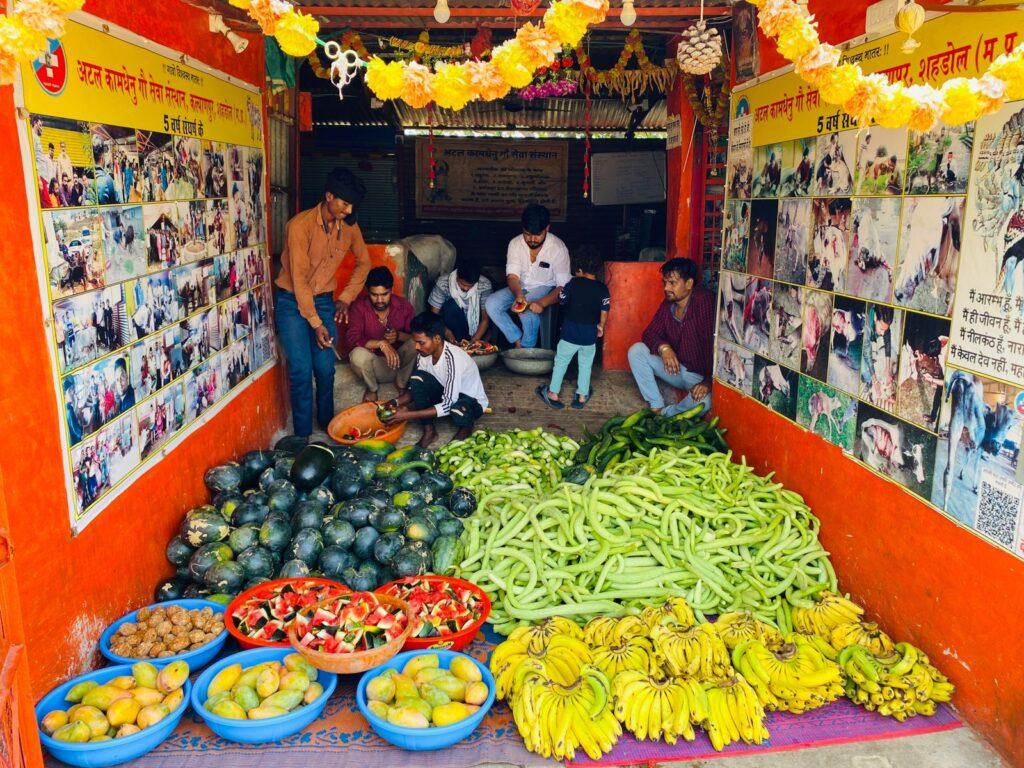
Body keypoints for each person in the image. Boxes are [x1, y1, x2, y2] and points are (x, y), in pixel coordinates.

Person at [275, 168, 370, 440]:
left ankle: (329, 426)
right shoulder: (299, 227)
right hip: (292, 304)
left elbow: (364, 264)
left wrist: (346, 297)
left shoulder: (350, 226)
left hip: (326, 303)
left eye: (352, 204)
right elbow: (300, 281)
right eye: (344, 203)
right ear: (329, 196)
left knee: (326, 368)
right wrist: (316, 323)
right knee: (302, 370)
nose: (349, 209)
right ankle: (303, 437)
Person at [382, 313, 489, 448]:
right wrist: (394, 402)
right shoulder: (424, 354)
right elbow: (417, 387)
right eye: (416, 342)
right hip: (446, 391)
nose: (416, 347)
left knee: (458, 410)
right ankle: (429, 430)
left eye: (421, 342)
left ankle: (466, 428)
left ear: (437, 339)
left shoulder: (453, 359)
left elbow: (448, 404)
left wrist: (407, 414)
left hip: (469, 400)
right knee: (416, 378)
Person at [628, 257, 714, 416]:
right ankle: (656, 405)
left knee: (705, 402)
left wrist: (708, 382)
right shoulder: (669, 303)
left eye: (672, 283)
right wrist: (664, 348)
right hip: (674, 369)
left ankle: (666, 415)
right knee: (636, 351)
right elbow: (649, 333)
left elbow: (716, 348)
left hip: (699, 376)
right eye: (665, 282)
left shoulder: (704, 302)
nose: (666, 288)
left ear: (689, 284)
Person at [485, 203, 570, 348]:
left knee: (526, 308)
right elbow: (512, 277)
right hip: (520, 286)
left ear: (547, 229)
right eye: (527, 234)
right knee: (491, 304)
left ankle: (526, 350)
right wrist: (518, 294)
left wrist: (542, 303)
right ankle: (518, 340)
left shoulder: (558, 248)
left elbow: (563, 287)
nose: (532, 239)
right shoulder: (515, 244)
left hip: (545, 287)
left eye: (537, 235)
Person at [536, 245, 609, 410]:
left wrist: (562, 291)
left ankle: (553, 393)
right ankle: (582, 396)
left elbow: (562, 300)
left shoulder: (572, 284)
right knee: (585, 365)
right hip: (589, 335)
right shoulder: (603, 289)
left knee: (561, 362)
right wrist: (601, 326)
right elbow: (605, 310)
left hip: (569, 334)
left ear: (579, 268)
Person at [345, 266, 417, 402]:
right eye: (374, 295)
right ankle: (372, 388)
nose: (379, 300)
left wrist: (399, 335)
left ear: (391, 290)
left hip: (400, 365)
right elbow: (352, 339)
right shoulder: (359, 308)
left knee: (415, 344)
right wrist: (380, 343)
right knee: (357, 354)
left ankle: (401, 383)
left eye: (384, 294)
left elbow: (418, 337)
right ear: (368, 292)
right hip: (374, 368)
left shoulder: (404, 306)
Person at [428, 257, 493, 343]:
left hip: (477, 331)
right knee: (451, 305)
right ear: (457, 276)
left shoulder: (484, 284)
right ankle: (456, 343)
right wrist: (446, 331)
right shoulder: (443, 283)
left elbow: (485, 319)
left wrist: (474, 341)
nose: (466, 288)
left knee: (491, 310)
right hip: (452, 328)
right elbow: (433, 315)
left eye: (471, 285)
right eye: (462, 284)